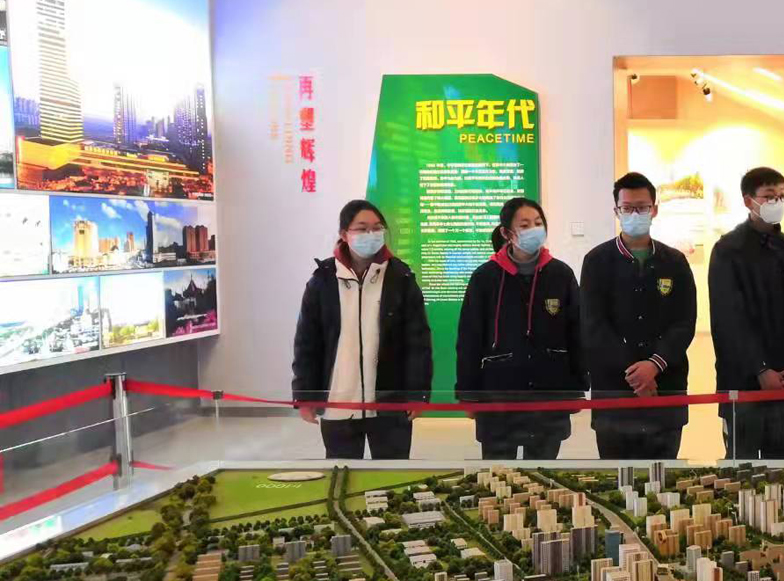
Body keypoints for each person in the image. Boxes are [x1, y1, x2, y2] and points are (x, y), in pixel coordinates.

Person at [292, 199, 433, 459]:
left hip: (390, 404)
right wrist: (304, 394)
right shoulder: (322, 280)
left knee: (392, 474)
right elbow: (307, 344)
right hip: (338, 402)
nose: (371, 234)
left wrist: (418, 394)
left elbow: (418, 343)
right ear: (344, 234)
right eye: (362, 228)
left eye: (377, 228)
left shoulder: (401, 278)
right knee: (343, 473)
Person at [455, 197, 586, 460]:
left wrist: (578, 388)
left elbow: (577, 333)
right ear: (506, 233)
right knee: (498, 476)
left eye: (538, 223)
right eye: (524, 225)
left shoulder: (561, 274)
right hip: (498, 395)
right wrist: (467, 393)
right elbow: (469, 338)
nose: (533, 230)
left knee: (543, 475)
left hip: (549, 392)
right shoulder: (485, 277)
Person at [708, 167, 784, 459]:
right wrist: (759, 368)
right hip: (743, 380)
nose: (777, 202)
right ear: (749, 201)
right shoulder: (728, 250)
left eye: (782, 196)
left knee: (783, 463)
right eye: (769, 196)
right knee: (741, 465)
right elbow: (728, 318)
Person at [581, 172, 697, 459]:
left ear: (654, 209)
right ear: (617, 211)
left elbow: (685, 322)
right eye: (627, 208)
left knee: (663, 477)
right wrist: (636, 373)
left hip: (665, 386)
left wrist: (654, 365)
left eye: (642, 207)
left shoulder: (675, 261)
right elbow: (594, 325)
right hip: (614, 391)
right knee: (618, 477)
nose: (635, 214)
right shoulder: (596, 261)